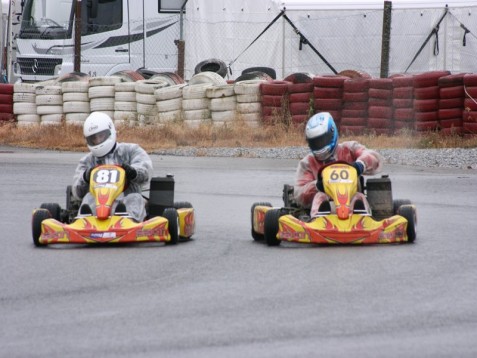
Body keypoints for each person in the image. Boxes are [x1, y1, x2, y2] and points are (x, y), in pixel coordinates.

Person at [294, 112, 383, 217]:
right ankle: (319, 220)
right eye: (315, 142)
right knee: (320, 197)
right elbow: (299, 194)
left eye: (322, 140)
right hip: (326, 207)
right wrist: (317, 186)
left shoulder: (349, 149)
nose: (319, 145)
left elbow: (375, 158)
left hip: (351, 201)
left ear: (332, 133)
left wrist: (360, 165)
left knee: (358, 197)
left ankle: (362, 219)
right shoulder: (308, 163)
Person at [72, 112, 153, 221]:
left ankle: (128, 221)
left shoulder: (131, 150)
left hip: (127, 200)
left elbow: (146, 171)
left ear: (110, 132)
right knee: (89, 198)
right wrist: (85, 177)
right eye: (93, 138)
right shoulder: (87, 161)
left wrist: (133, 172)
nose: (97, 141)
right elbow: (77, 193)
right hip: (99, 205)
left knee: (134, 198)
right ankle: (86, 222)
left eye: (101, 136)